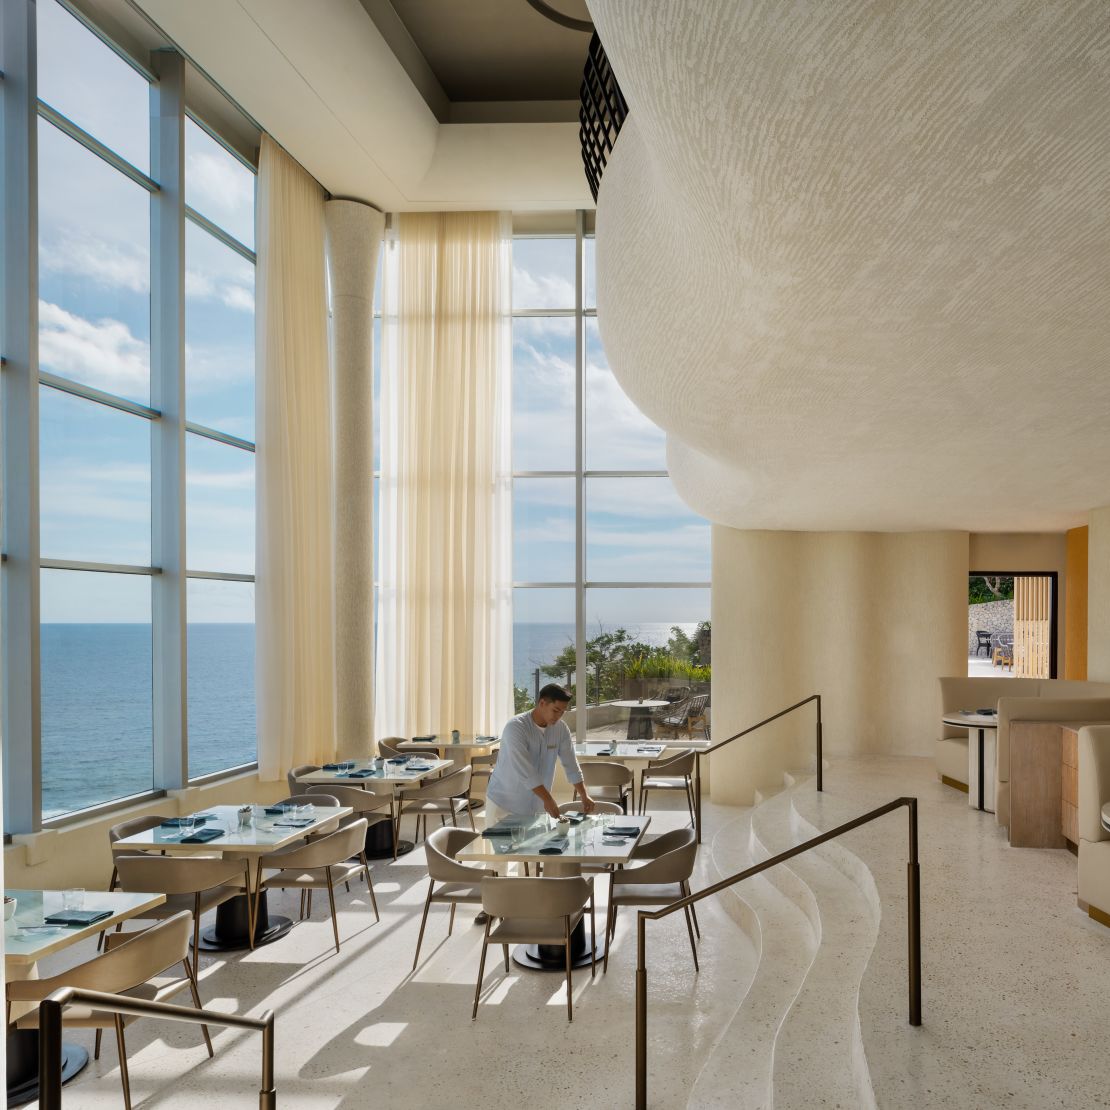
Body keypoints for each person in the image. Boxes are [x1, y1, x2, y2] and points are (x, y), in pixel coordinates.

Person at [485, 684, 596, 823]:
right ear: (542, 703)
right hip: (503, 805)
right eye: (555, 710)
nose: (559, 716)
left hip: (536, 807)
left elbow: (571, 764)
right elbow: (526, 772)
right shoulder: (515, 727)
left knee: (535, 845)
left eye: (562, 712)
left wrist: (584, 795)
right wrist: (548, 799)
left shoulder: (560, 729)